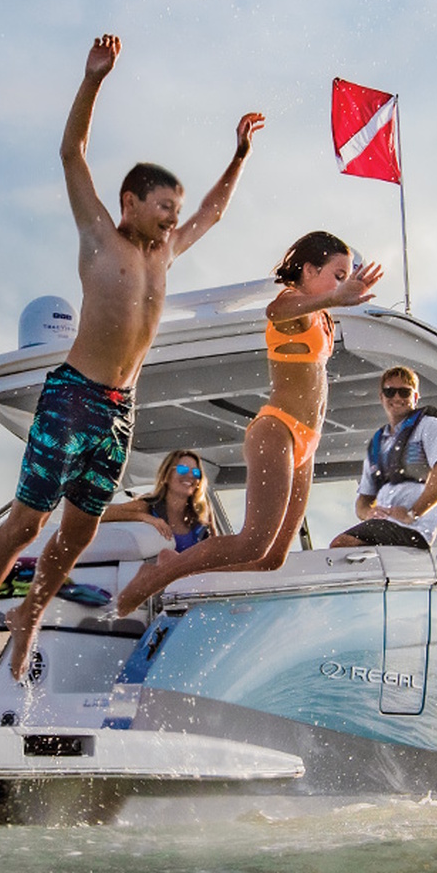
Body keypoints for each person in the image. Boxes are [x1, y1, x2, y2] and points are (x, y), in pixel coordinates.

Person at [0, 33, 265, 687]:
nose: (174, 218)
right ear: (130, 203)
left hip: (120, 410)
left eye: (176, 210)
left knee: (80, 533)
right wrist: (93, 79)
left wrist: (238, 156)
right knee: (26, 523)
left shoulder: (164, 253)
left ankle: (30, 613)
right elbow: (72, 152)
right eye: (164, 207)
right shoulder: (98, 235)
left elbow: (213, 212)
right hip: (72, 398)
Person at [114, 232, 382, 613]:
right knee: (252, 542)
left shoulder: (323, 317)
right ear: (309, 270)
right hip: (277, 431)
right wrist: (335, 296)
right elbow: (274, 312)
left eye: (346, 277)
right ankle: (153, 579)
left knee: (271, 559)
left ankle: (182, 575)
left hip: (306, 443)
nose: (343, 284)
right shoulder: (292, 302)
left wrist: (339, 296)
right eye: (337, 275)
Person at [329, 366, 437, 550]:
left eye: (404, 392)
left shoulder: (431, 427)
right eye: (390, 392)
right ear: (381, 397)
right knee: (345, 553)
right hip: (384, 526)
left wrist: (413, 513)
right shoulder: (378, 442)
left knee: (342, 544)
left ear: (415, 397)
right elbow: (363, 501)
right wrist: (369, 513)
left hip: (413, 530)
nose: (397, 398)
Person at [101, 449, 220, 552]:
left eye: (196, 472)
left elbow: (217, 550)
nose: (190, 476)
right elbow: (100, 514)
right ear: (167, 475)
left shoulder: (203, 512)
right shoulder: (148, 506)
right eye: (182, 469)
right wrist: (144, 517)